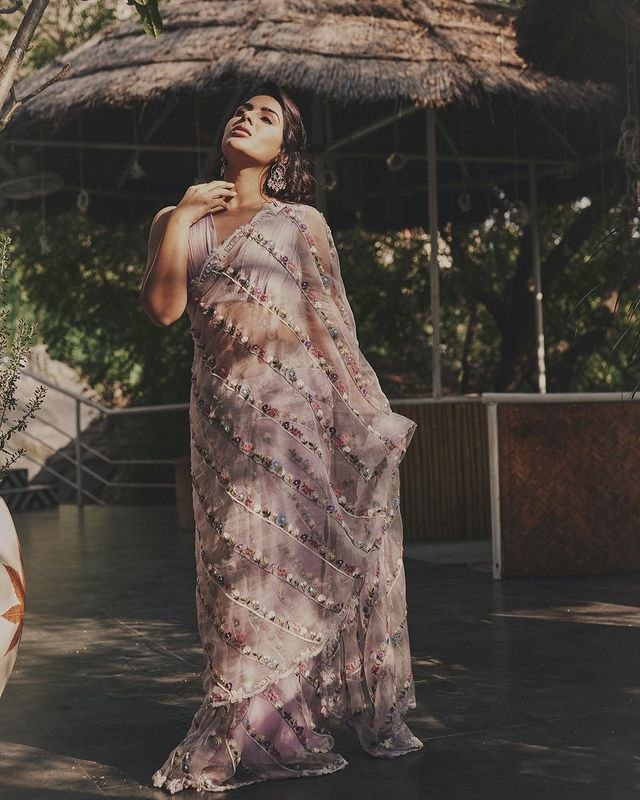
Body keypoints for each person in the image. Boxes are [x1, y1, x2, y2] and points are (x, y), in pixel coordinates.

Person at [140, 81, 423, 794]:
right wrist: (184, 216)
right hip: (219, 425)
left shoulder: (301, 224)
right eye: (241, 110)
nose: (246, 117)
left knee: (287, 568)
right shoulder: (176, 219)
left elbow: (333, 329)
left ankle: (278, 725)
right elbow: (163, 310)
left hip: (291, 420)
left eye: (265, 117)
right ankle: (262, 723)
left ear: (283, 150)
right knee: (234, 570)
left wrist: (362, 415)